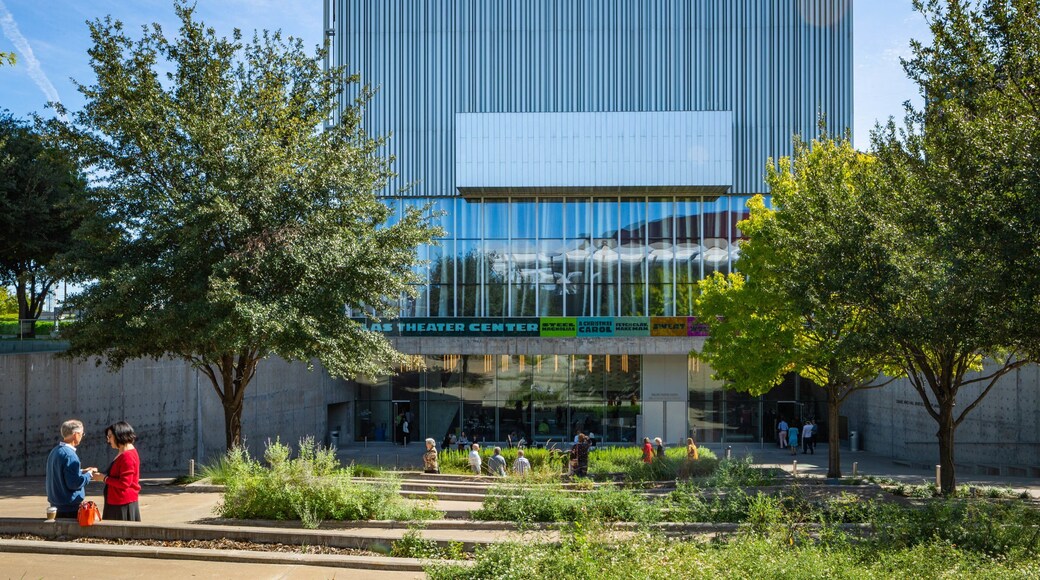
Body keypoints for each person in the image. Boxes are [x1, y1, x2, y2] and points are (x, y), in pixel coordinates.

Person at [46, 419, 97, 520]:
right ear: (76, 434)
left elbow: (60, 472)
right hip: (69, 507)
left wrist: (81, 471)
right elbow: (74, 483)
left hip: (55, 503)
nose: (82, 437)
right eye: (82, 434)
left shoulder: (55, 451)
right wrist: (89, 474)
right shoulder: (70, 455)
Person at [91, 421, 141, 521]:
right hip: (118, 502)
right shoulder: (124, 451)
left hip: (121, 504)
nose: (108, 441)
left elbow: (124, 483)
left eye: (110, 437)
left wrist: (104, 478)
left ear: (119, 435)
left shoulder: (127, 456)